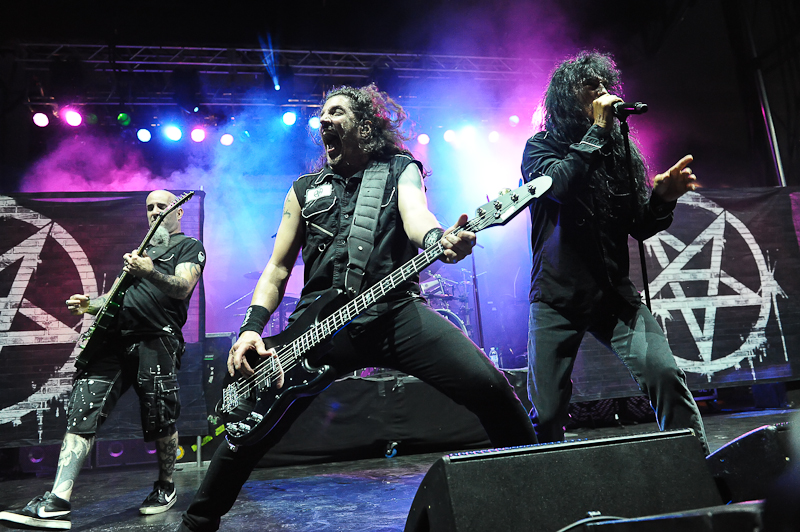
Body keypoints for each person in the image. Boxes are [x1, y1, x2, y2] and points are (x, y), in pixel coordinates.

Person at [178, 84, 537, 532]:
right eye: (321, 115)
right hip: (317, 328)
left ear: (364, 125)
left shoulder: (398, 169)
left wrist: (437, 241)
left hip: (393, 313)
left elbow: (416, 216)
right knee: (249, 431)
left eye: (337, 112)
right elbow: (276, 270)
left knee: (492, 390)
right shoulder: (304, 191)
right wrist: (252, 328)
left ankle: (536, 497)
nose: (323, 120)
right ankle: (196, 524)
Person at [521, 51, 709, 454]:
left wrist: (662, 199)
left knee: (663, 373)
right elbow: (558, 187)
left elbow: (640, 226)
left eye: (606, 85)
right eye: (592, 86)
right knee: (549, 409)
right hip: (557, 297)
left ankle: (696, 466)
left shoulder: (618, 152)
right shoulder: (540, 148)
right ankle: (539, 484)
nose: (604, 92)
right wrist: (597, 132)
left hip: (613, 295)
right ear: (566, 98)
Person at [0, 190, 206, 530]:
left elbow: (182, 287)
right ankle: (57, 500)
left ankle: (166, 485)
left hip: (155, 340)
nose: (154, 212)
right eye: (149, 207)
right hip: (111, 341)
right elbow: (116, 298)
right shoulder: (142, 252)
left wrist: (150, 270)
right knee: (82, 411)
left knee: (160, 415)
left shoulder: (188, 247)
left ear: (179, 212)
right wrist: (89, 304)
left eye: (162, 206)